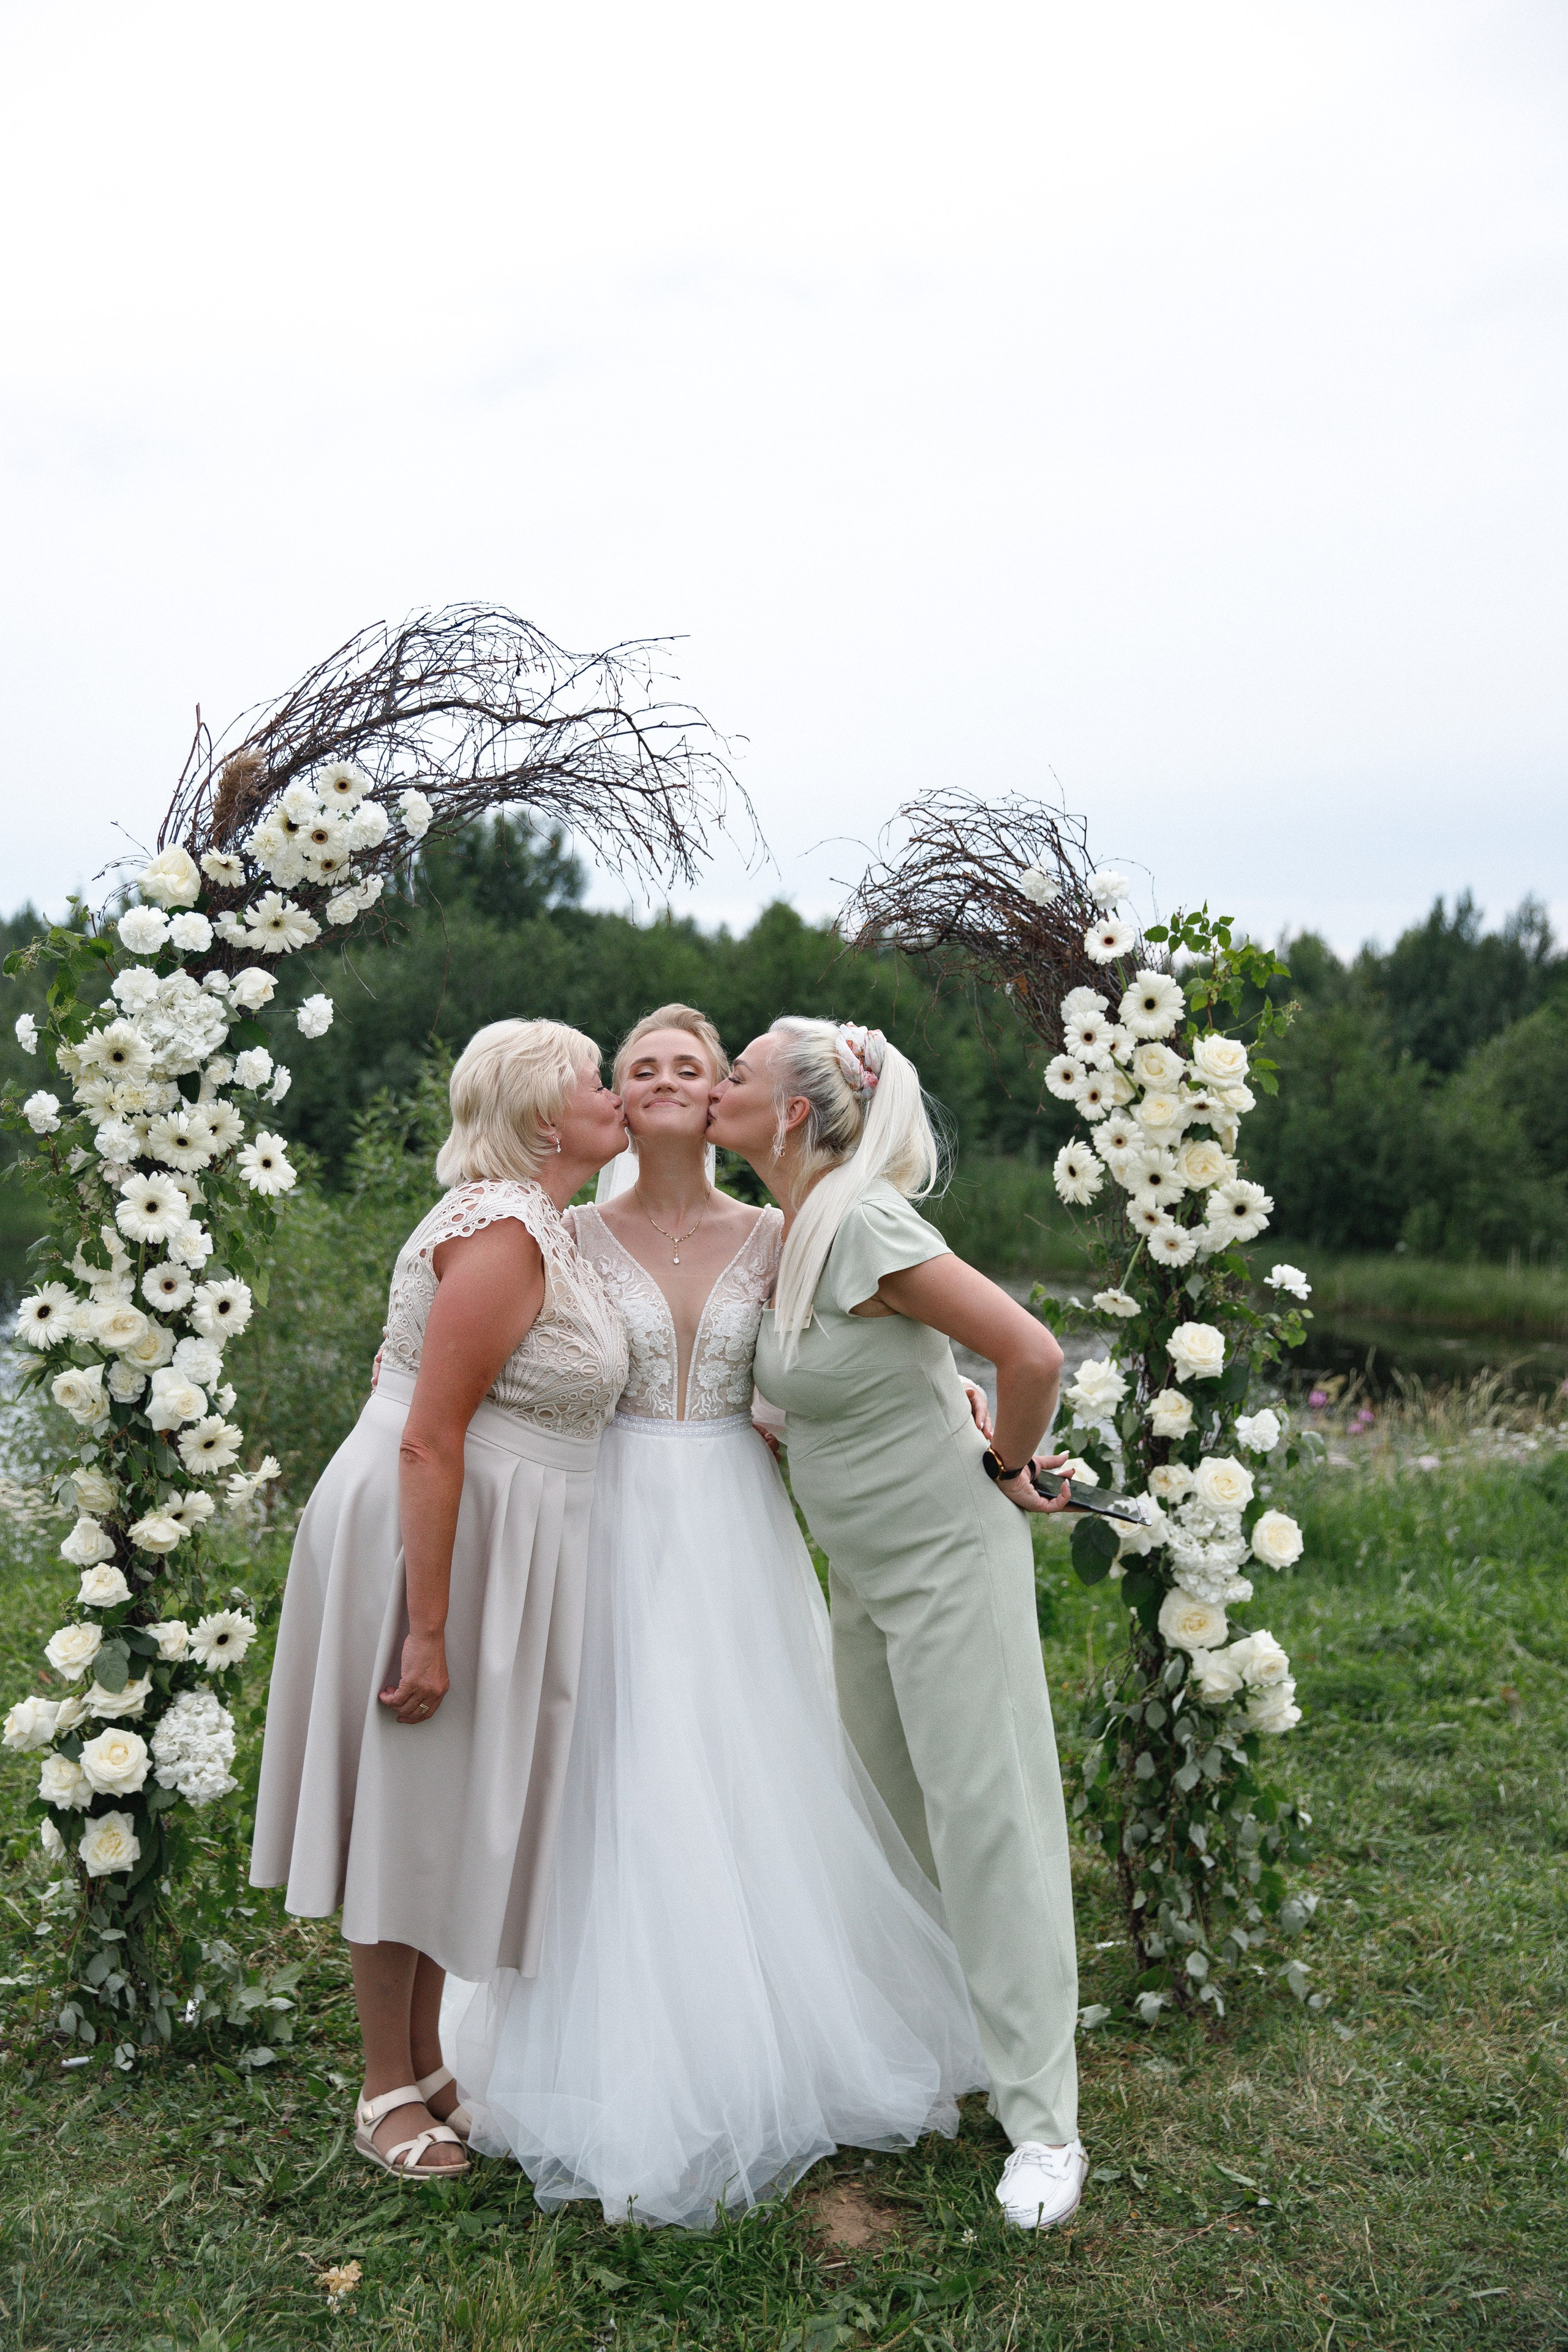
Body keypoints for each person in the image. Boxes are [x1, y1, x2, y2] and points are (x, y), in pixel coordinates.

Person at [442, 1004, 986, 2226]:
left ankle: (776, 2023)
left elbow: (866, 1346)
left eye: (695, 1063)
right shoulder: (564, 1235)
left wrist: (970, 1415)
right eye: (642, 1067)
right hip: (615, 1504)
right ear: (618, 1101)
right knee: (615, 1756)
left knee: (754, 1752)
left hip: (736, 1516)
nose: (672, 1078)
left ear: (716, 1091)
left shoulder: (782, 1233)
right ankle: (603, 2039)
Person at [707, 1017, 1088, 2233]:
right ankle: (953, 2047)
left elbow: (1027, 1350)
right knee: (894, 1821)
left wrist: (1008, 1464)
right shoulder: (791, 1233)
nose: (717, 1082)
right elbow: (825, 1396)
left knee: (988, 1829)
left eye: (737, 1070)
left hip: (945, 1565)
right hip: (863, 1579)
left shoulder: (863, 1220)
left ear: (792, 1112)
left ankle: (1045, 2127)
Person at [251, 1019, 630, 2180]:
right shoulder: (506, 1229)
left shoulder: (541, 1222)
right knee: (413, 1799)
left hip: (485, 1532)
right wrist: (425, 1622)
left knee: (440, 1794)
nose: (614, 1093)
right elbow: (427, 1434)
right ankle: (380, 2091)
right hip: (441, 1534)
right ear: (541, 1117)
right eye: (594, 1079)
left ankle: (424, 2061)